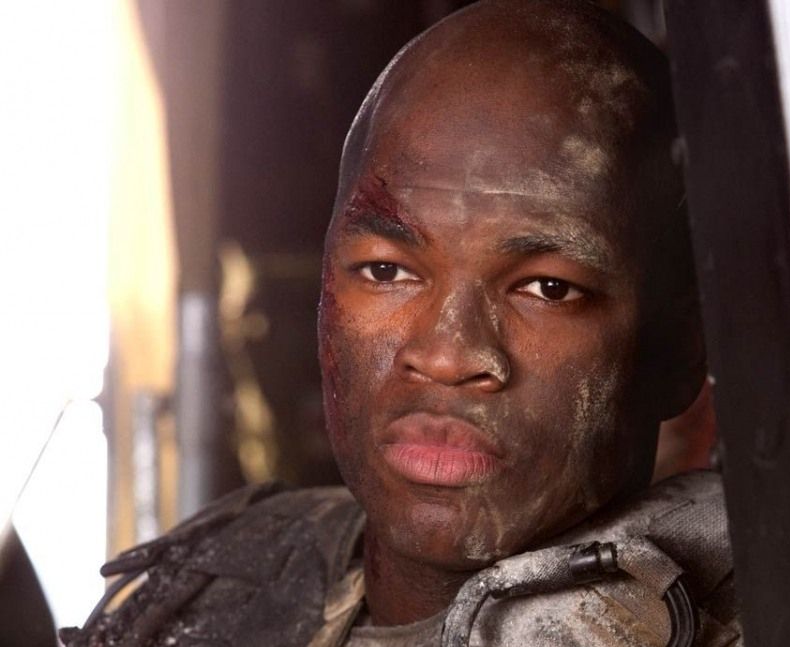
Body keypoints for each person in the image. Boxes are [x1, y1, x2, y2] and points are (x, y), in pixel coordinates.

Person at [63, 1, 740, 645]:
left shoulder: (773, 609)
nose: (447, 354)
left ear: (683, 348)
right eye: (387, 271)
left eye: (547, 288)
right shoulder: (217, 589)